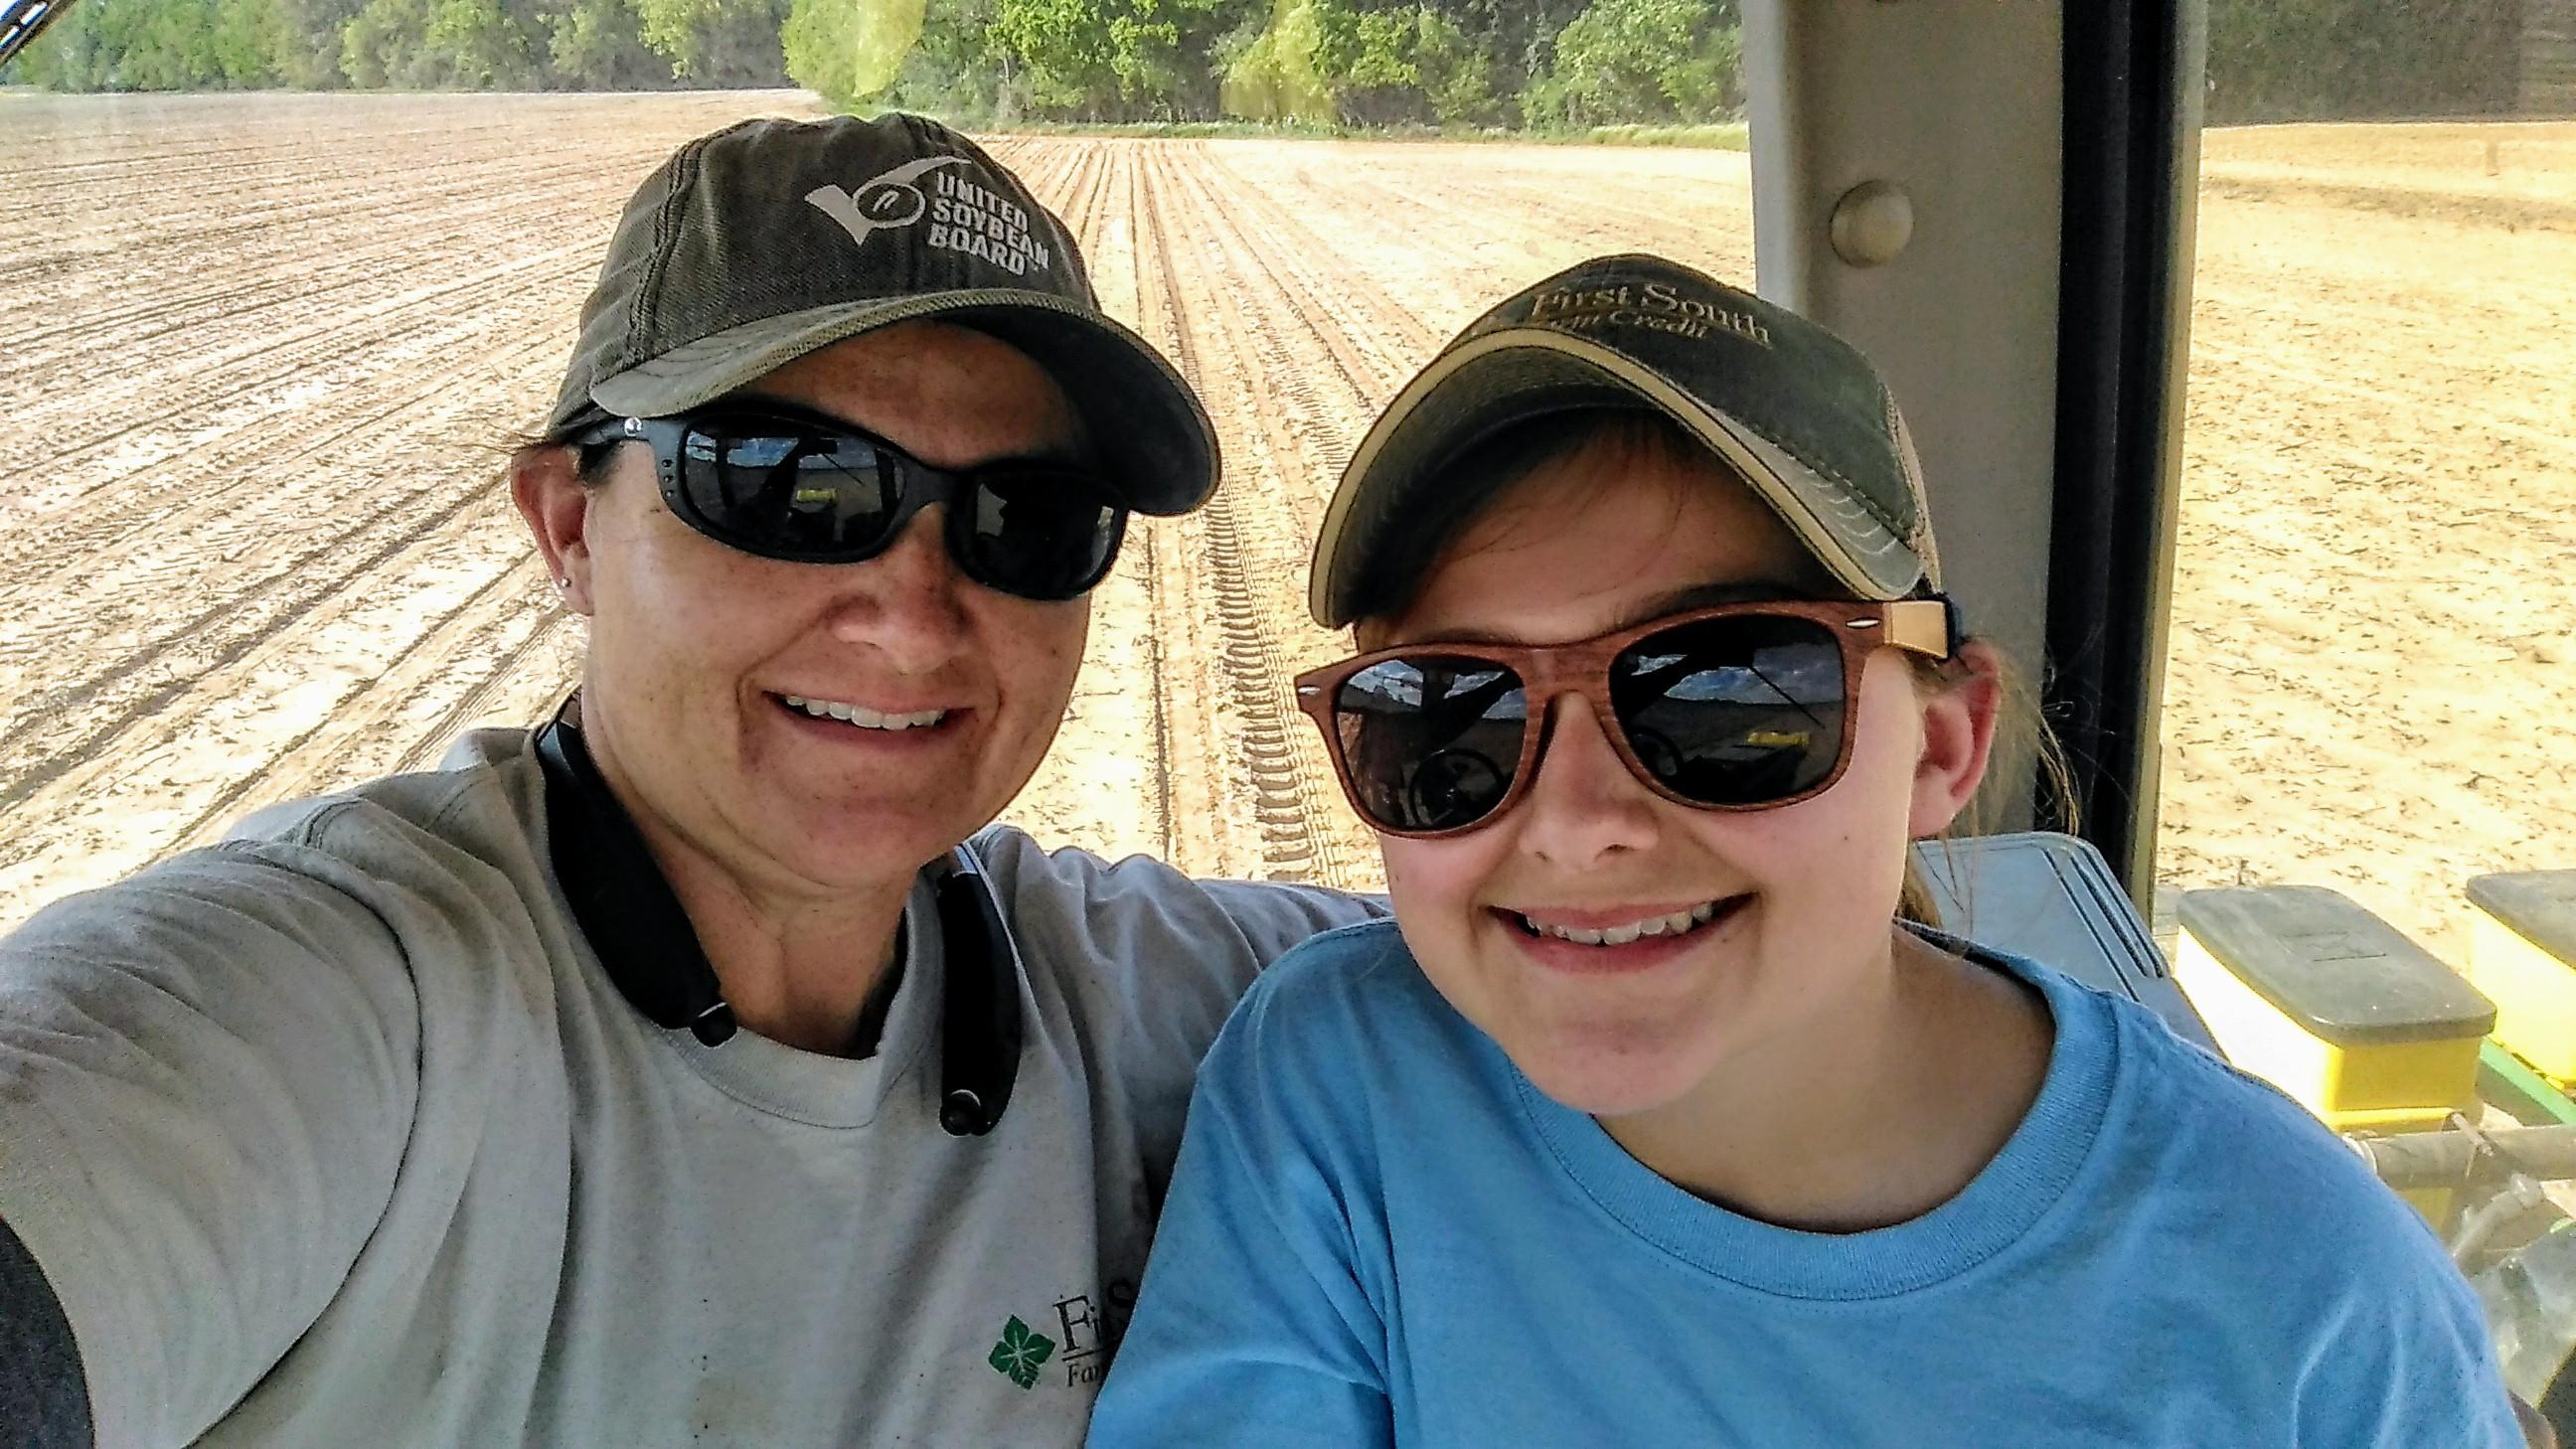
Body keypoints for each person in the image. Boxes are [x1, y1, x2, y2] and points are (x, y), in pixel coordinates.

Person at [0, 114, 1375, 1448]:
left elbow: (1518, 956)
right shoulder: (336, 1003)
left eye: (1029, 517)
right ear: (570, 528)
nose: (911, 616)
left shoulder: (1135, 995)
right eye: (788, 485)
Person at [1085, 252, 2524, 1447]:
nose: (1580, 819)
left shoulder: (2307, 1293)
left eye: (1726, 693)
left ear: (1947, 746)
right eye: (1444, 716)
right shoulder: (1340, 1087)